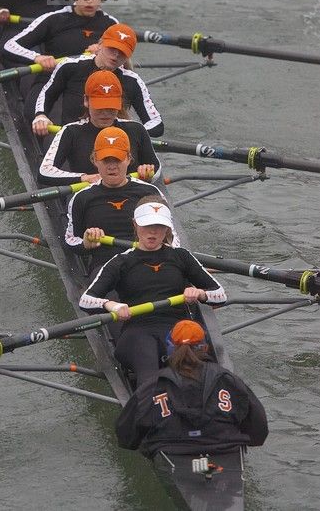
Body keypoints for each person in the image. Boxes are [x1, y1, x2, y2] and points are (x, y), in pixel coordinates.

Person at [79, 197, 226, 386]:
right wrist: (111, 305)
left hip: (177, 330)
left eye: (159, 226)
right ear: (135, 225)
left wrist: (200, 293)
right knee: (149, 369)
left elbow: (220, 294)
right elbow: (86, 300)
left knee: (195, 374)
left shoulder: (181, 256)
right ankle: (150, 399)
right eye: (147, 225)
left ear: (167, 230)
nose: (153, 232)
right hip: (138, 331)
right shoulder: (121, 261)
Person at [115, 319, 268, 457]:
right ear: (206, 347)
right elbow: (259, 428)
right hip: (225, 448)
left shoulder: (154, 384)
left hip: (171, 450)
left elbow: (125, 436)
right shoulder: (228, 379)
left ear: (170, 347)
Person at [65, 128, 169, 279]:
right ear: (94, 160)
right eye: (106, 160)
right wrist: (86, 243)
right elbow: (71, 240)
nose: (112, 166)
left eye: (118, 159)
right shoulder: (82, 197)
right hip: (107, 267)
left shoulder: (149, 192)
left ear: (129, 159)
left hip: (150, 260)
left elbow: (172, 237)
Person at [32, 23, 164, 136]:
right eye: (112, 48)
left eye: (122, 52)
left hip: (112, 146)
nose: (116, 55)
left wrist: (129, 133)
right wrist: (41, 115)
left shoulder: (132, 81)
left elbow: (156, 124)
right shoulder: (70, 66)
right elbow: (47, 94)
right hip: (72, 140)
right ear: (100, 44)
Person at [38, 70, 161, 185]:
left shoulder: (136, 129)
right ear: (86, 101)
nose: (106, 113)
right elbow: (44, 171)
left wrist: (148, 171)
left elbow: (156, 168)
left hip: (131, 195)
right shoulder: (70, 131)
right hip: (90, 197)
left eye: (111, 107)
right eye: (100, 107)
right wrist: (84, 178)